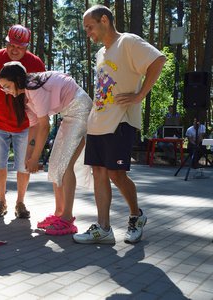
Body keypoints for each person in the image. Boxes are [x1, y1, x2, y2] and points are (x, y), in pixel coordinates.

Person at [73, 5, 166, 244]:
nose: (88, 33)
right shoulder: (101, 53)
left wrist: (140, 95)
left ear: (104, 20)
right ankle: (104, 229)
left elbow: (158, 60)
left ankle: (136, 215)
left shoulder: (128, 42)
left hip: (120, 121)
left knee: (116, 174)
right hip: (98, 122)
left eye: (89, 27)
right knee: (99, 174)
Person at [0, 62, 92, 235]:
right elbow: (33, 128)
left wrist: (35, 158)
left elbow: (44, 127)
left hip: (80, 110)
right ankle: (59, 214)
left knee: (65, 166)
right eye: (2, 88)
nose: (5, 91)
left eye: (7, 86)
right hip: (69, 115)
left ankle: (67, 219)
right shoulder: (24, 96)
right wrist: (28, 157)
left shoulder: (33, 87)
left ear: (18, 80)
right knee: (56, 166)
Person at [0, 24, 45, 218]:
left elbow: (42, 95)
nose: (15, 50)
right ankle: (1, 202)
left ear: (27, 47)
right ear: (6, 43)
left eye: (20, 47)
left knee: (24, 164)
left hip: (25, 125)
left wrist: (40, 125)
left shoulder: (36, 63)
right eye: (11, 45)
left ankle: (20, 203)